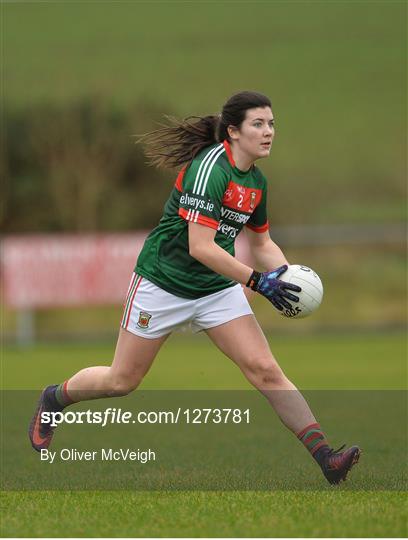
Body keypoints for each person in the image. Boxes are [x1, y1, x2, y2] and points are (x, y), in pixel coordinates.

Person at [29, 90, 360, 484]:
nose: (268, 131)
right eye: (258, 124)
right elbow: (200, 247)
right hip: (161, 283)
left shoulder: (256, 183)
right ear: (233, 131)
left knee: (265, 369)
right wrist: (257, 281)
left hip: (215, 288)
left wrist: (287, 278)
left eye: (271, 123)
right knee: (122, 381)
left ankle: (327, 458)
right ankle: (54, 398)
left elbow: (262, 244)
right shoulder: (211, 168)